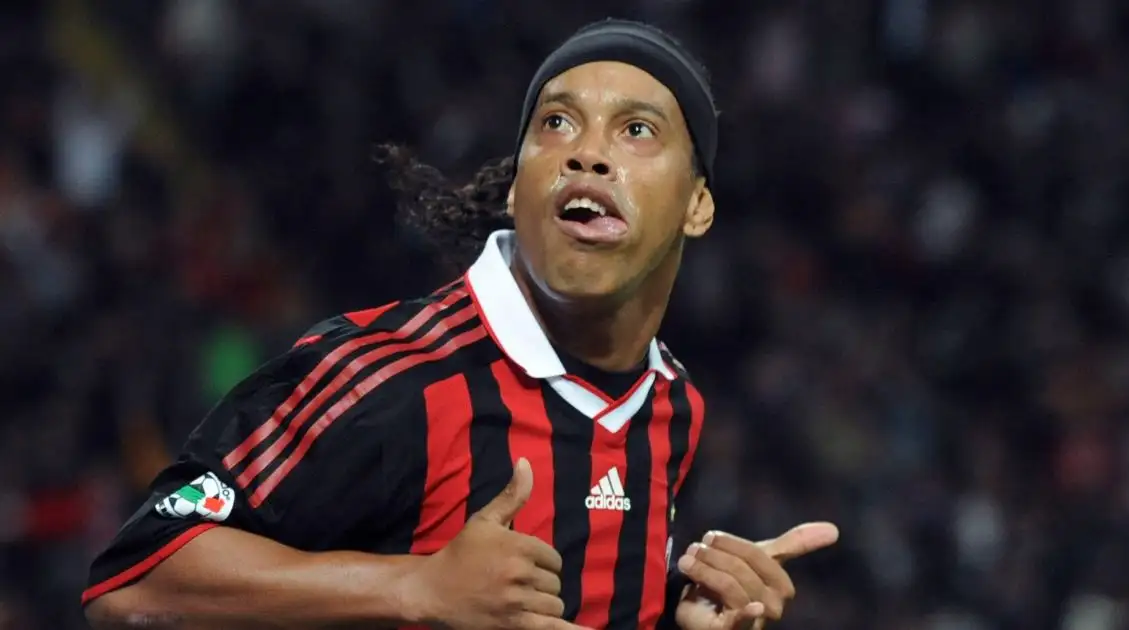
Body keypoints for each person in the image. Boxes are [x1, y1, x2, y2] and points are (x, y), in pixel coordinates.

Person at [81, 18, 839, 630]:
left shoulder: (672, 408)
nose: (588, 155)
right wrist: (417, 587)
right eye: (557, 124)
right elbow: (136, 580)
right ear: (518, 189)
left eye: (636, 131)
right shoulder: (391, 374)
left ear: (698, 205)